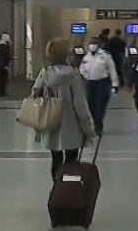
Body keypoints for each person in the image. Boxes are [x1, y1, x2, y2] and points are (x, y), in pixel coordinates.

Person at [32, 38, 96, 180]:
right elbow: (80, 105)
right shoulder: (73, 75)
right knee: (71, 162)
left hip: (50, 123)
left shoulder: (44, 73)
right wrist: (88, 128)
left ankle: (57, 188)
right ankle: (68, 190)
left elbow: (34, 95)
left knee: (56, 160)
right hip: (71, 126)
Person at [79, 37, 119, 135]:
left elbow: (112, 70)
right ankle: (94, 123)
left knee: (100, 106)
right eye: (91, 44)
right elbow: (82, 68)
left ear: (98, 45)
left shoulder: (105, 56)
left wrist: (115, 85)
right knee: (91, 105)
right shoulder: (86, 56)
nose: (92, 46)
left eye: (94, 44)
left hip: (102, 83)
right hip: (90, 83)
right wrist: (85, 76)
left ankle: (98, 125)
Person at [0, 32, 13, 97]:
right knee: (3, 78)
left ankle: (0, 91)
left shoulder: (0, 46)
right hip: (3, 65)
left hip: (0, 65)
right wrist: (6, 64)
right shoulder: (4, 47)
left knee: (0, 78)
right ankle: (2, 92)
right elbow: (5, 56)